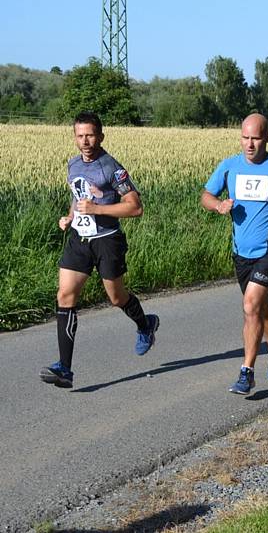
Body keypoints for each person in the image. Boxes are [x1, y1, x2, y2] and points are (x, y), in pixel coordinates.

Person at [39, 111, 159, 389]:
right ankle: (64, 369)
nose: (85, 141)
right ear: (74, 138)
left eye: (90, 135)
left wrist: (98, 209)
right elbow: (77, 195)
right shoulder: (73, 165)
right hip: (80, 239)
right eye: (80, 136)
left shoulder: (111, 168)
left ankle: (145, 325)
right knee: (65, 294)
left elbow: (135, 207)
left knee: (117, 297)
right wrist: (70, 217)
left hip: (107, 240)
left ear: (100, 136)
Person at [202, 113, 268, 395]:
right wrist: (218, 206)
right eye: (245, 138)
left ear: (267, 138)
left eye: (256, 138)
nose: (250, 144)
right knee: (259, 309)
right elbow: (206, 196)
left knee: (251, 306)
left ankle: (246, 372)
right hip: (241, 253)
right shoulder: (229, 167)